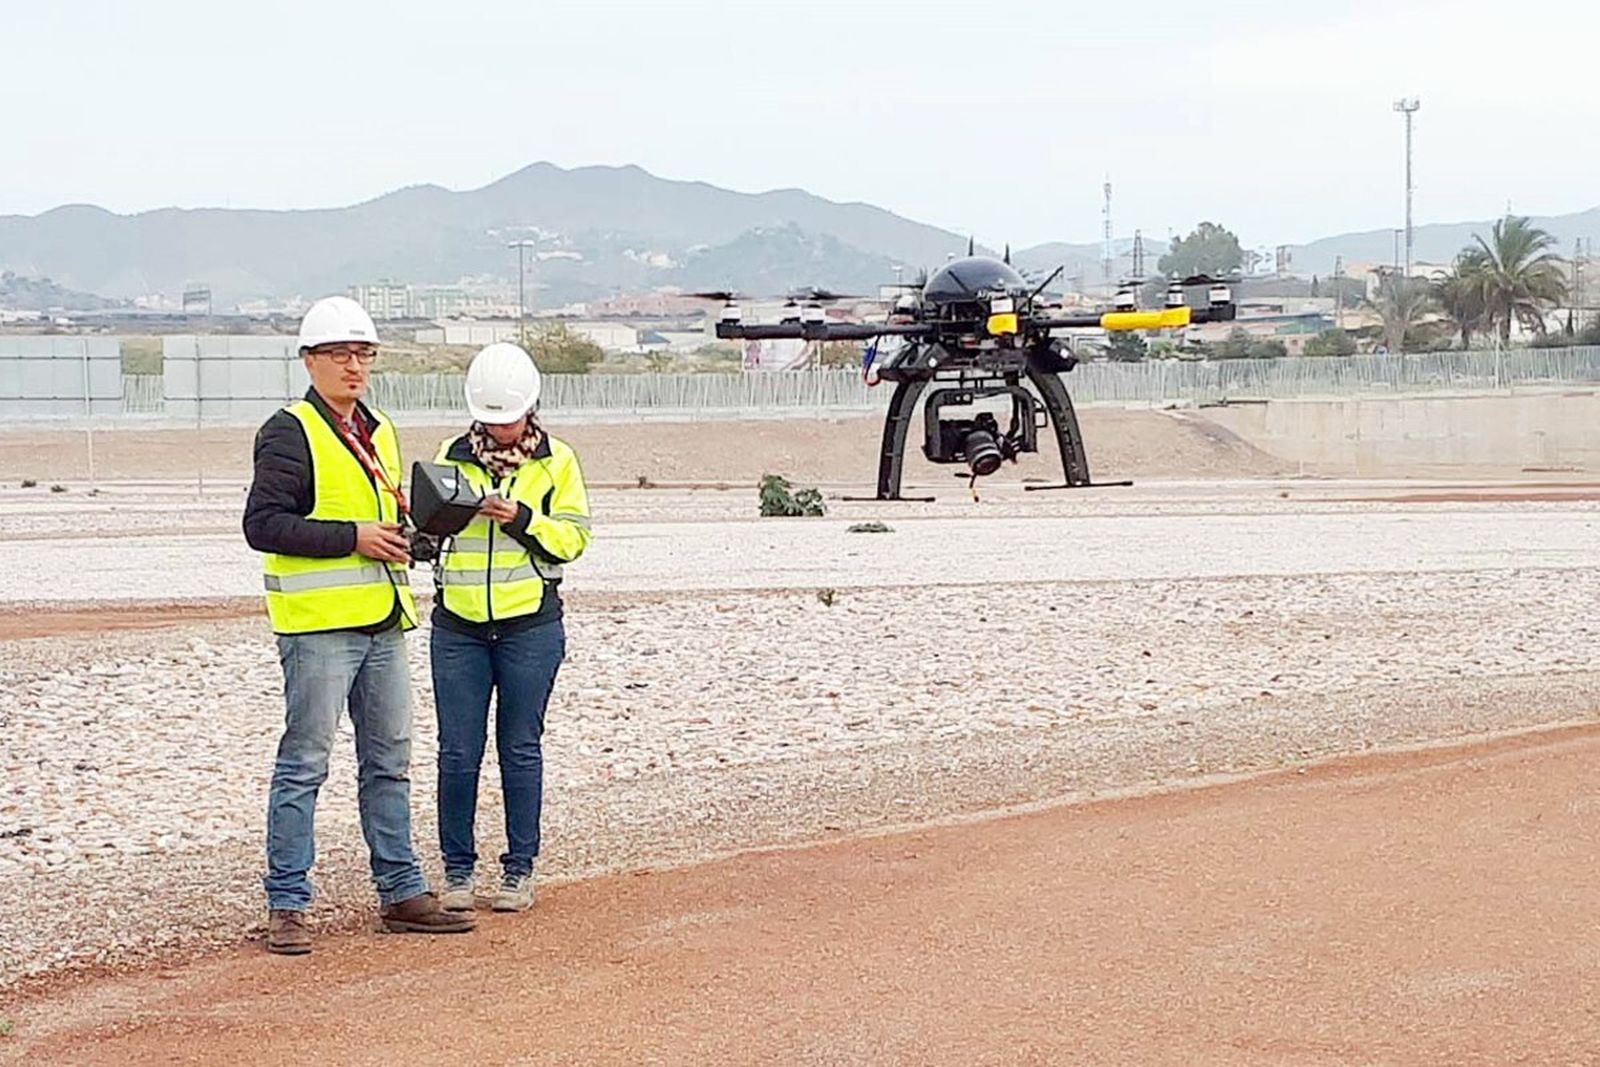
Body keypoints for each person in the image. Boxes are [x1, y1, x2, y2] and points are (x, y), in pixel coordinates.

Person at [243, 295, 475, 954]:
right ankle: (287, 903)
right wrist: (355, 537)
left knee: (389, 762)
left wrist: (405, 538)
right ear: (310, 360)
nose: (354, 365)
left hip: (383, 621)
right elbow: (262, 524)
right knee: (304, 764)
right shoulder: (289, 431)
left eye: (363, 353)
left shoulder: (380, 430)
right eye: (341, 353)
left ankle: (401, 891)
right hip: (318, 626)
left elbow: (379, 516)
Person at [427, 342, 591, 913]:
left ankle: (519, 870)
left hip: (530, 627)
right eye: (490, 420)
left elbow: (573, 539)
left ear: (530, 409)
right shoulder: (449, 455)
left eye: (509, 419)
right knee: (457, 752)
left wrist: (521, 518)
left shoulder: (558, 462)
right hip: (459, 627)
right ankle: (457, 872)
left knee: (520, 748)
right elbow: (425, 533)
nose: (499, 431)